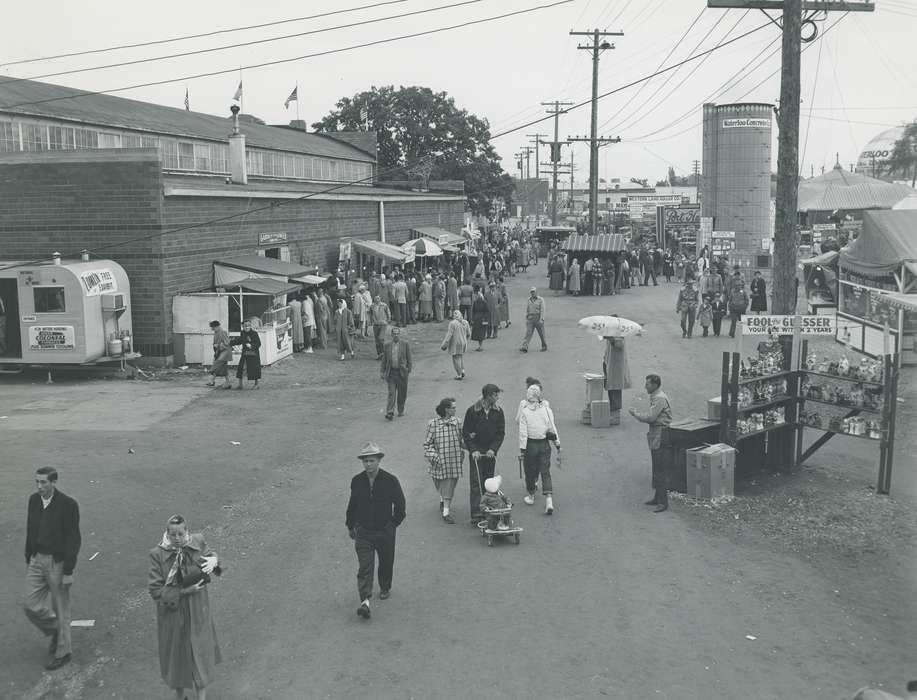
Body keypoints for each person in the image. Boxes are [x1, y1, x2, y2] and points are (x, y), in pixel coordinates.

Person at [148, 514, 221, 699]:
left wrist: (215, 560)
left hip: (198, 613)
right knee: (177, 662)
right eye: (173, 534)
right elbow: (156, 591)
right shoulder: (157, 555)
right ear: (167, 534)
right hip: (174, 618)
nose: (178, 538)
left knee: (200, 660)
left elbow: (213, 563)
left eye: (181, 533)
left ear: (187, 532)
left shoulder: (197, 542)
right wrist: (183, 591)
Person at [24, 467, 81, 671]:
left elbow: (74, 539)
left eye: (44, 483)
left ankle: (64, 652)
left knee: (61, 609)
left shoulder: (68, 505)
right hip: (36, 558)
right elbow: (31, 528)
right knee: (30, 604)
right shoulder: (33, 500)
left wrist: (68, 571)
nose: (39, 487)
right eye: (37, 482)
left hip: (57, 563)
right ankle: (56, 630)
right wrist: (28, 555)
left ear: (54, 482)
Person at [346, 442, 406, 619]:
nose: (368, 464)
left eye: (371, 460)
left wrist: (392, 524)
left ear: (379, 460)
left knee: (386, 561)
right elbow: (352, 504)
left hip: (384, 530)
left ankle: (385, 586)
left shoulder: (390, 480)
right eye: (365, 461)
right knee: (365, 566)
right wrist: (351, 525)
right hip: (363, 531)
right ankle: (365, 601)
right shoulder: (357, 481)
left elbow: (400, 505)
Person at [628, 374, 673, 513]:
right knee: (656, 468)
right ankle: (657, 498)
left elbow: (651, 417)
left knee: (660, 470)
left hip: (660, 433)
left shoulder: (659, 398)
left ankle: (663, 502)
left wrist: (636, 414)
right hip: (656, 433)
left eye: (647, 384)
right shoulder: (657, 396)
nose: (645, 386)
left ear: (654, 385)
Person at [462, 384, 506, 524]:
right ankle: (476, 514)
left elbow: (500, 433)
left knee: (488, 483)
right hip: (476, 452)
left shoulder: (498, 412)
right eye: (495, 395)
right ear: (488, 396)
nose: (498, 397)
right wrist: (473, 450)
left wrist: (493, 449)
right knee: (476, 482)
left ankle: (489, 511)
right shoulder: (472, 411)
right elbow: (466, 433)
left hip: (490, 453)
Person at [518, 384, 561, 515]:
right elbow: (552, 428)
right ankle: (549, 499)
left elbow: (523, 433)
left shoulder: (524, 412)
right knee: (545, 471)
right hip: (544, 444)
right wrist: (557, 444)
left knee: (530, 470)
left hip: (530, 445)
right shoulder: (546, 410)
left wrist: (522, 450)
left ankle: (531, 495)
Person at [423, 398, 465, 524]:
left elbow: (463, 440)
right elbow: (427, 444)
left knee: (449, 485)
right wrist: (435, 457)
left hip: (453, 461)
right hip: (438, 462)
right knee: (440, 484)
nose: (455, 409)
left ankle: (446, 511)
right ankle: (442, 499)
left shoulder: (458, 422)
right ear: (446, 409)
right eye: (453, 407)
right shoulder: (433, 424)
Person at [381, 326, 412, 420]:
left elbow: (409, 358)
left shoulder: (405, 344)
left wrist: (408, 369)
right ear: (391, 335)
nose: (396, 335)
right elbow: (384, 359)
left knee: (402, 393)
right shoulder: (387, 345)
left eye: (397, 333)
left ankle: (400, 409)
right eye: (394, 333)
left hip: (402, 373)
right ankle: (390, 412)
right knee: (391, 393)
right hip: (391, 373)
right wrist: (382, 371)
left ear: (400, 334)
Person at [603, 334, 630, 417]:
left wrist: (610, 339)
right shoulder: (611, 332)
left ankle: (615, 408)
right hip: (609, 361)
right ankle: (613, 406)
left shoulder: (619, 333)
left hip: (616, 364)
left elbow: (619, 344)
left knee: (615, 385)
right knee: (609, 384)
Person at [231, 319, 262, 388]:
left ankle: (256, 384)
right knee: (241, 368)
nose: (247, 327)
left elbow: (258, 343)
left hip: (253, 354)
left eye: (248, 325)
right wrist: (231, 343)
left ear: (250, 326)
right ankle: (240, 385)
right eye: (245, 326)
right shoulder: (243, 333)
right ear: (243, 326)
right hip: (245, 354)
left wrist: (251, 346)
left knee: (255, 369)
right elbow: (239, 340)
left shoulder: (254, 333)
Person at [441, 310, 471, 380]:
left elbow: (449, 335)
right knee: (460, 357)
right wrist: (465, 339)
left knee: (455, 358)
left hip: (455, 343)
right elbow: (469, 333)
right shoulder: (465, 322)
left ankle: (459, 374)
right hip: (463, 342)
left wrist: (444, 344)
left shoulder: (452, 323)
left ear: (454, 316)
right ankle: (462, 370)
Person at [519, 286, 547, 353]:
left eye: (533, 292)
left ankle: (544, 346)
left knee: (541, 334)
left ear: (536, 292)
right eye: (531, 292)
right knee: (528, 333)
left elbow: (543, 310)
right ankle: (524, 347)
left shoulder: (540, 299)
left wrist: (542, 319)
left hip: (538, 318)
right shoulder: (529, 300)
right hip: (530, 318)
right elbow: (528, 309)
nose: (532, 293)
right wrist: (527, 317)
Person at [206, 320, 232, 389]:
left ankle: (211, 381)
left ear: (217, 326)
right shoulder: (216, 333)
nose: (212, 329)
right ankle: (228, 383)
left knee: (215, 365)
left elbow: (227, 343)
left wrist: (218, 346)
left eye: (213, 328)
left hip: (224, 352)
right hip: (220, 352)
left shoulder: (222, 332)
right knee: (223, 369)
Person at [370, 294, 391, 359]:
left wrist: (388, 320)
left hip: (383, 324)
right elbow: (370, 314)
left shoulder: (384, 305)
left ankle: (383, 354)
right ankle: (379, 354)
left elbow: (388, 313)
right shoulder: (372, 306)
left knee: (381, 339)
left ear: (380, 299)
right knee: (377, 341)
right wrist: (372, 321)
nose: (377, 299)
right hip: (375, 324)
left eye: (378, 298)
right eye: (375, 298)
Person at [470, 286, 489, 351]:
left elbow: (486, 312)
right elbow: (473, 311)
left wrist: (485, 320)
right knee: (479, 333)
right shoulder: (476, 302)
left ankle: (480, 346)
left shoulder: (483, 303)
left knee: (481, 333)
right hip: (478, 320)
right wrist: (472, 319)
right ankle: (480, 346)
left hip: (481, 319)